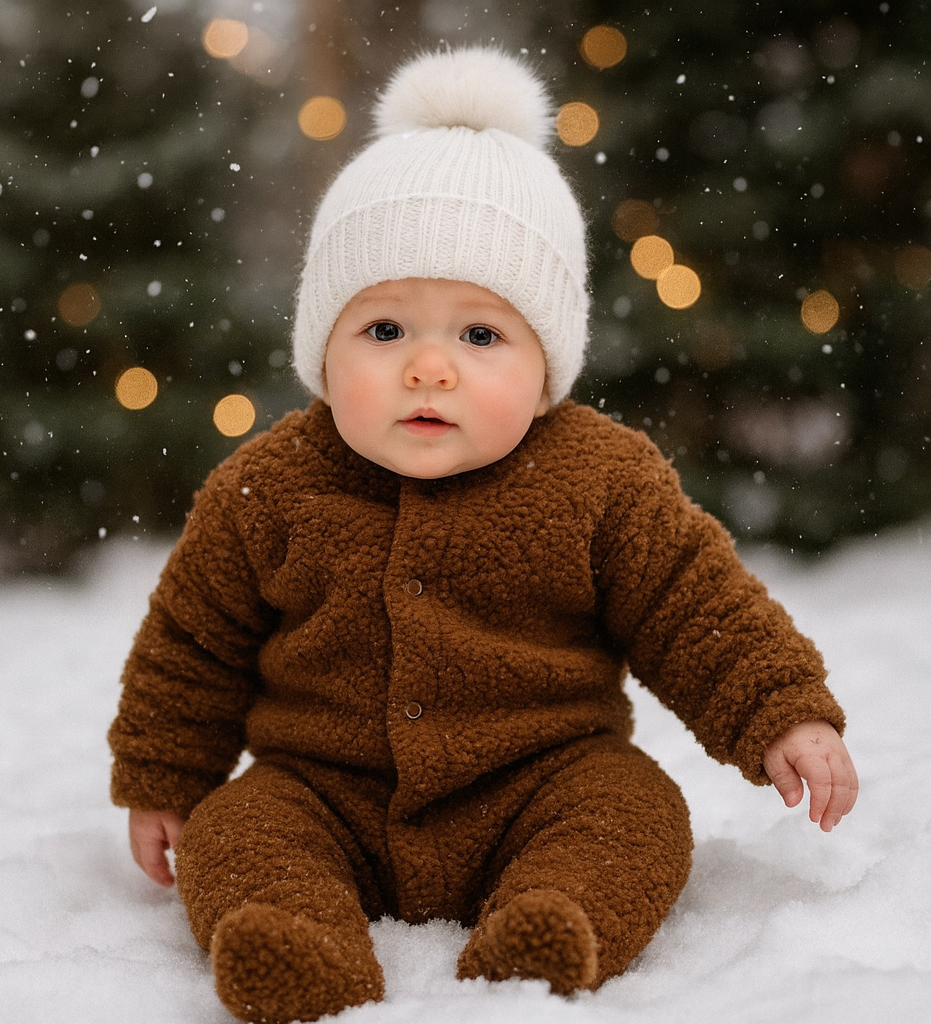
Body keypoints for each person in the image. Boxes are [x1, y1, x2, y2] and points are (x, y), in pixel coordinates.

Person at [109, 46, 858, 1024]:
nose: (429, 368)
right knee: (238, 829)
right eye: (384, 331)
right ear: (323, 352)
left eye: (480, 335)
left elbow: (695, 604)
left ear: (545, 369)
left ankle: (548, 925)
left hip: (542, 779)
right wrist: (165, 778)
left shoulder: (600, 478)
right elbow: (191, 644)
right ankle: (294, 944)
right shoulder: (267, 487)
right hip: (326, 791)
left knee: (634, 813)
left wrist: (781, 711)